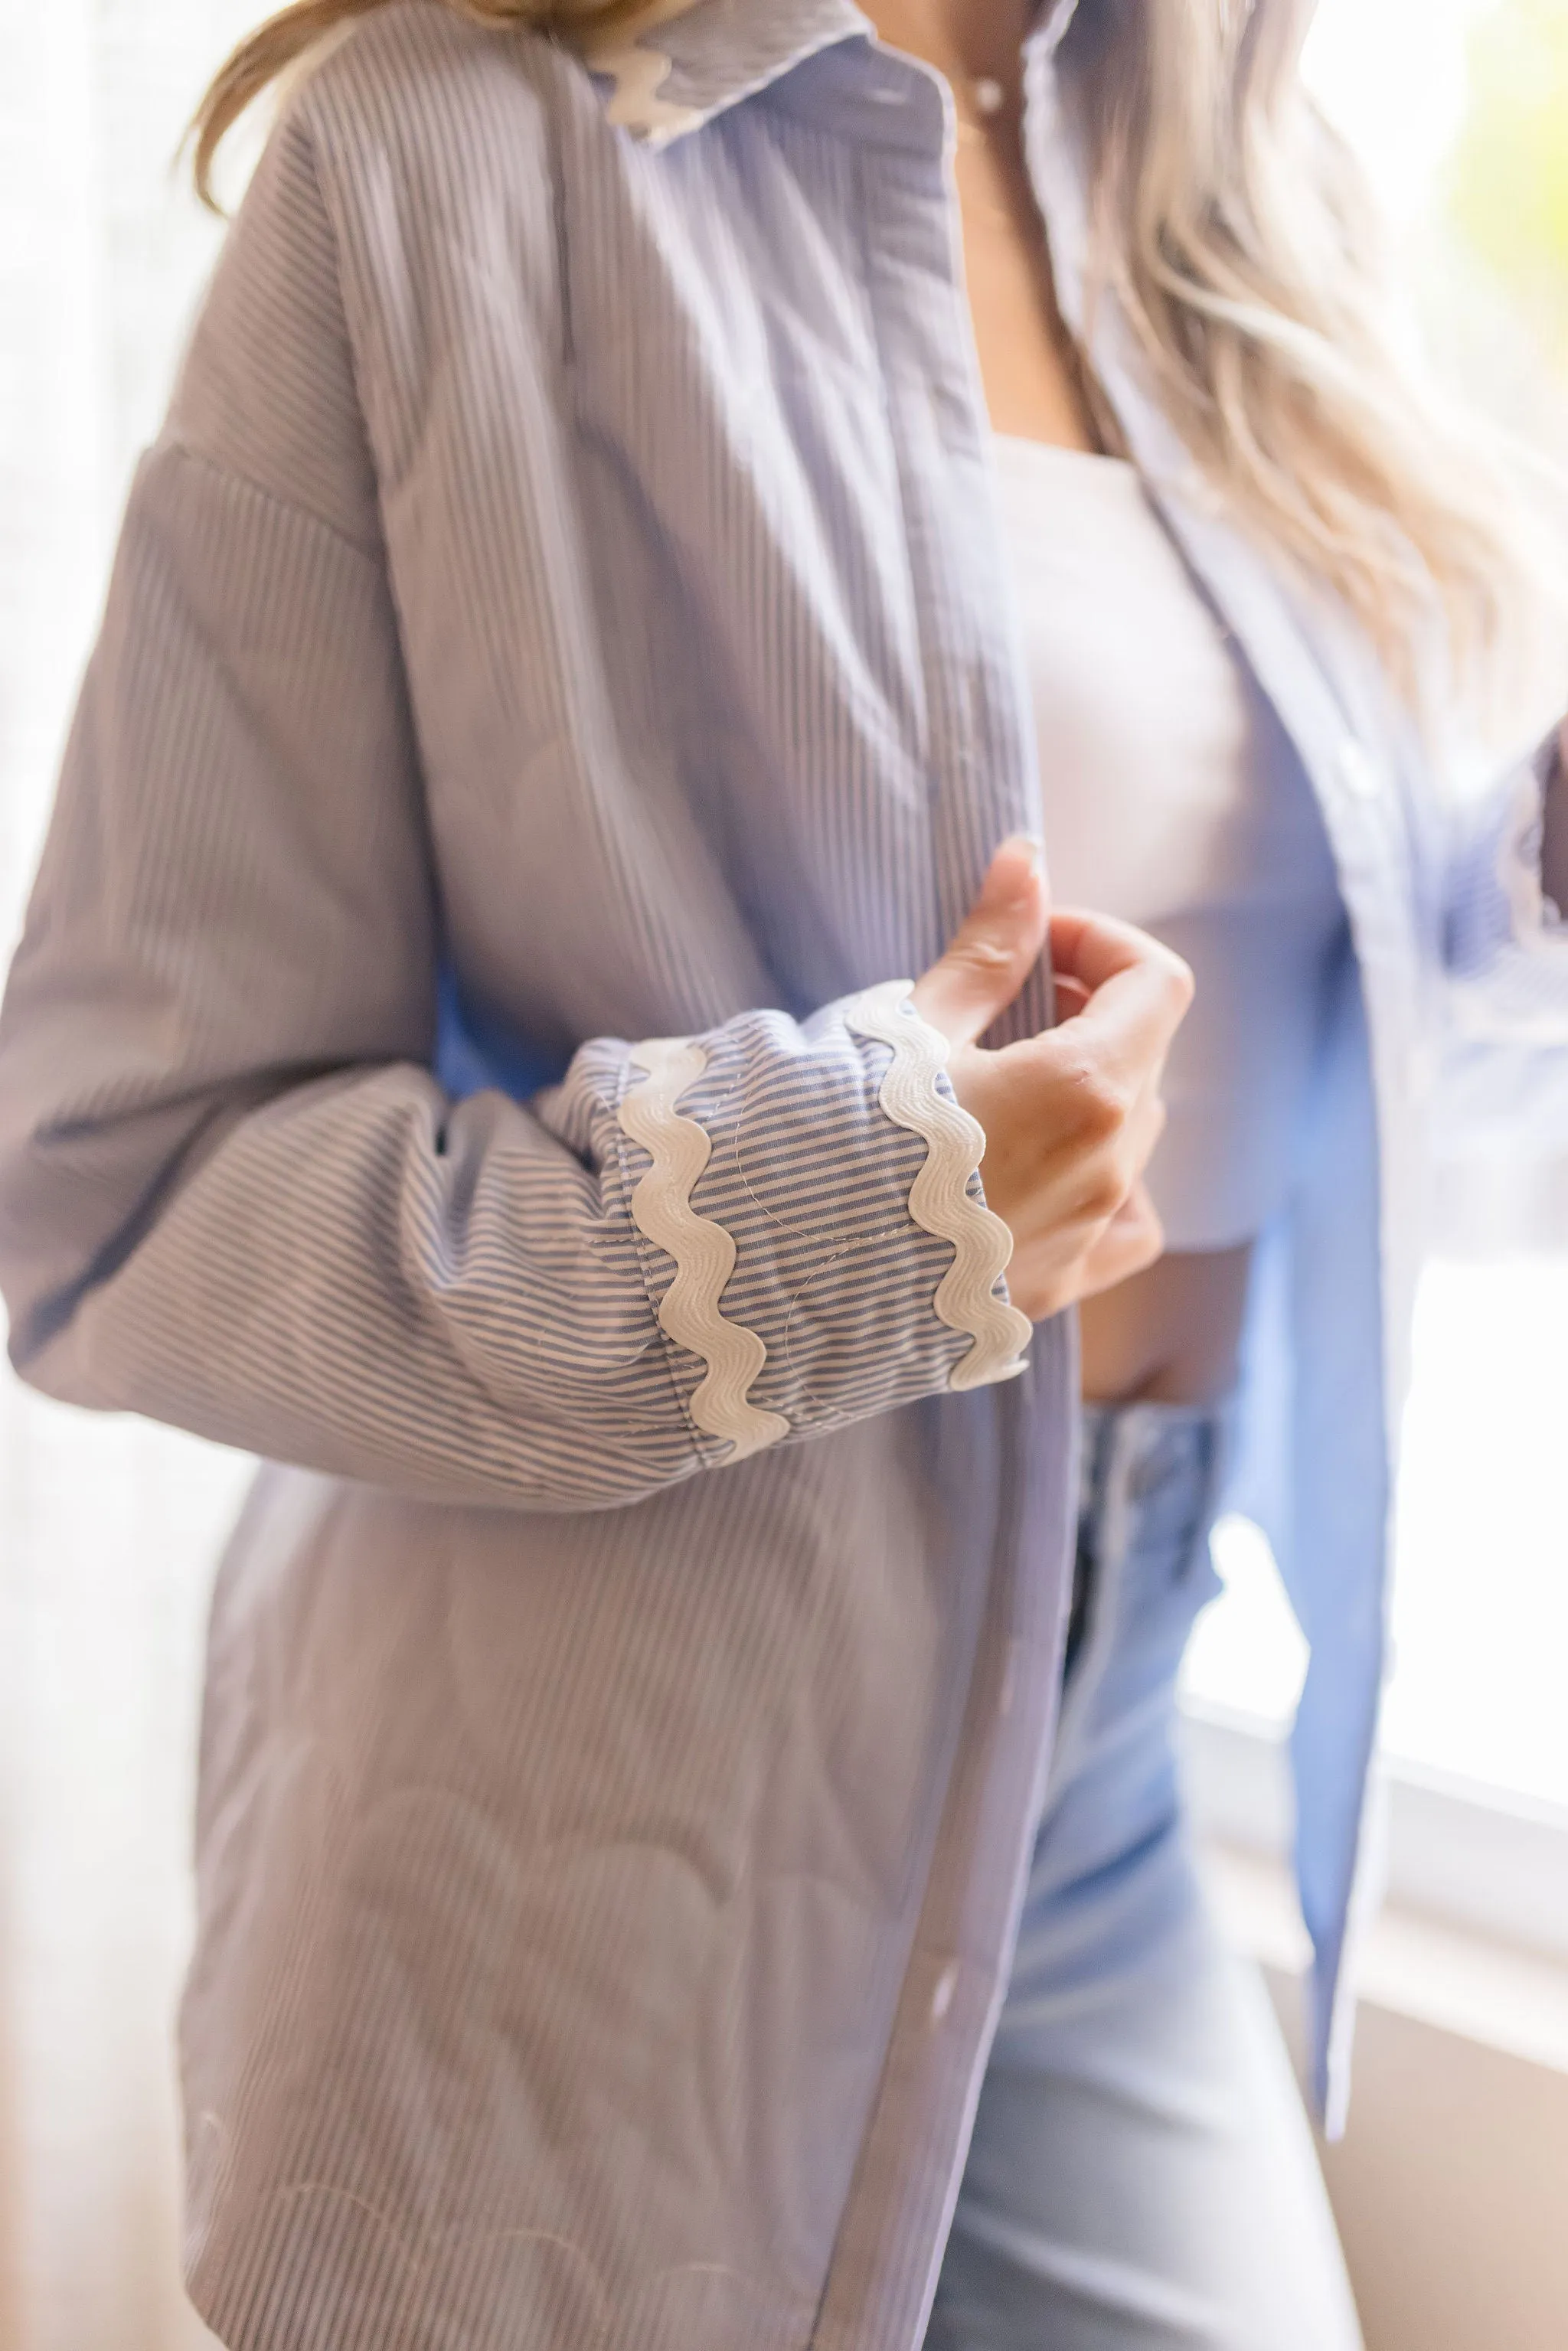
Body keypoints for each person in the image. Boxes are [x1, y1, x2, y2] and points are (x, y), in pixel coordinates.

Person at [1, 0, 1564, 2344]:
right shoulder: (427, 163)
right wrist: (831, 1213)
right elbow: (108, 1195)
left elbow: (1323, 1098)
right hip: (584, 1846)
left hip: (1108, 1766)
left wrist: (1520, 896)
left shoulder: (1236, 188)